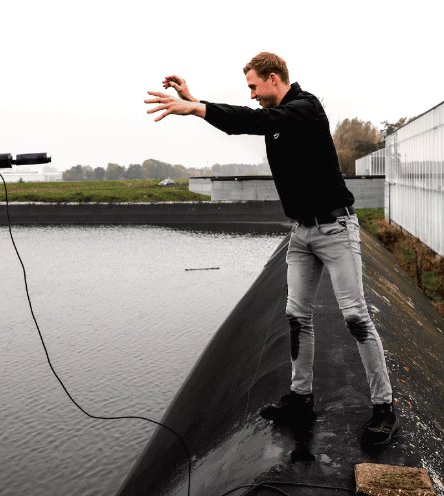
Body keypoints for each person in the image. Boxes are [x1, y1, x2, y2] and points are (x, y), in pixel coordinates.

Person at [144, 52, 398, 446]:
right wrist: (197, 101)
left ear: (275, 78)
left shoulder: (305, 109)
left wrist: (196, 108)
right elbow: (240, 123)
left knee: (356, 318)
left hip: (335, 228)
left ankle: (384, 408)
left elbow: (255, 121)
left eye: (253, 86)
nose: (251, 95)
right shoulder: (275, 117)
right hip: (301, 234)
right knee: (297, 316)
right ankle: (301, 398)